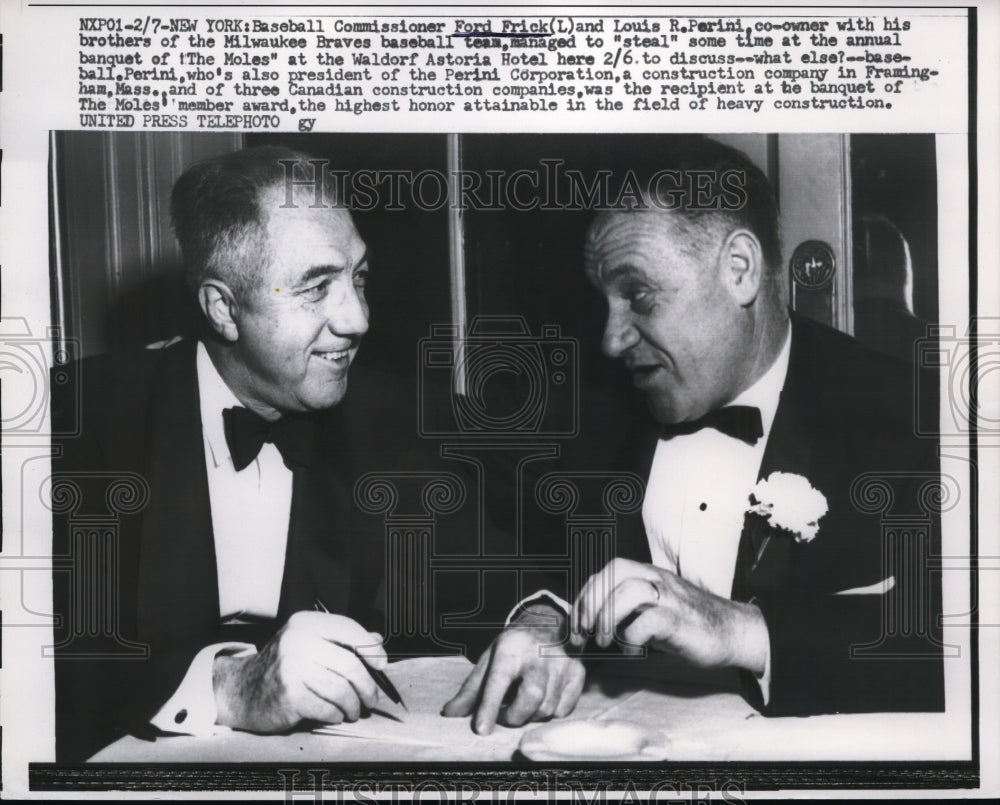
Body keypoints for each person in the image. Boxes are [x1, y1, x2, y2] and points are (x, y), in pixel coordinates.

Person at [444, 136, 944, 734]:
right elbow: (478, 546)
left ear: (739, 270)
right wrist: (542, 620)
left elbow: (961, 643)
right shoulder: (583, 411)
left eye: (638, 296)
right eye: (604, 302)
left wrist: (738, 630)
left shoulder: (914, 415)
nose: (611, 339)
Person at [50, 146, 411, 760]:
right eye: (316, 287)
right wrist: (228, 686)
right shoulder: (72, 421)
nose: (358, 319)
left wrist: (532, 621)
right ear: (223, 307)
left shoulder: (388, 416)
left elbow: (487, 575)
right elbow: (48, 663)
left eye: (359, 278)